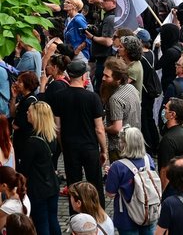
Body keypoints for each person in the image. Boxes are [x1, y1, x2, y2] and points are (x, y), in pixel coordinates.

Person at [51, 60, 106, 211]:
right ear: (84, 77)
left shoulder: (59, 96)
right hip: (89, 147)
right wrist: (104, 150)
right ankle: (98, 213)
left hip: (70, 146)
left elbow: (58, 128)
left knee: (73, 185)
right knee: (95, 183)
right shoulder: (93, 98)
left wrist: (63, 146)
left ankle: (75, 215)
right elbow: (99, 129)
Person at [105, 126, 158, 235]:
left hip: (126, 217)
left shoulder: (117, 166)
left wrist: (111, 175)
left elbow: (110, 193)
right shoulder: (148, 159)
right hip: (147, 212)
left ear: (125, 144)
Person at [18, 101, 58, 235]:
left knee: (41, 223)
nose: (27, 113)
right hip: (52, 184)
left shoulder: (32, 142)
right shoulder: (51, 135)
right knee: (53, 220)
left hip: (38, 188)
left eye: (29, 111)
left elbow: (24, 168)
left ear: (36, 116)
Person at [101, 57, 141, 160]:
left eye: (107, 76)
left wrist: (103, 128)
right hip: (135, 141)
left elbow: (116, 128)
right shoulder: (131, 88)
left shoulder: (115, 99)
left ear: (118, 79)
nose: (103, 78)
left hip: (119, 147)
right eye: (103, 74)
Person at [157, 97, 183, 193]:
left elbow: (164, 170)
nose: (164, 111)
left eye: (166, 108)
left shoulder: (168, 140)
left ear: (172, 114)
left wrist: (163, 193)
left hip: (172, 188)